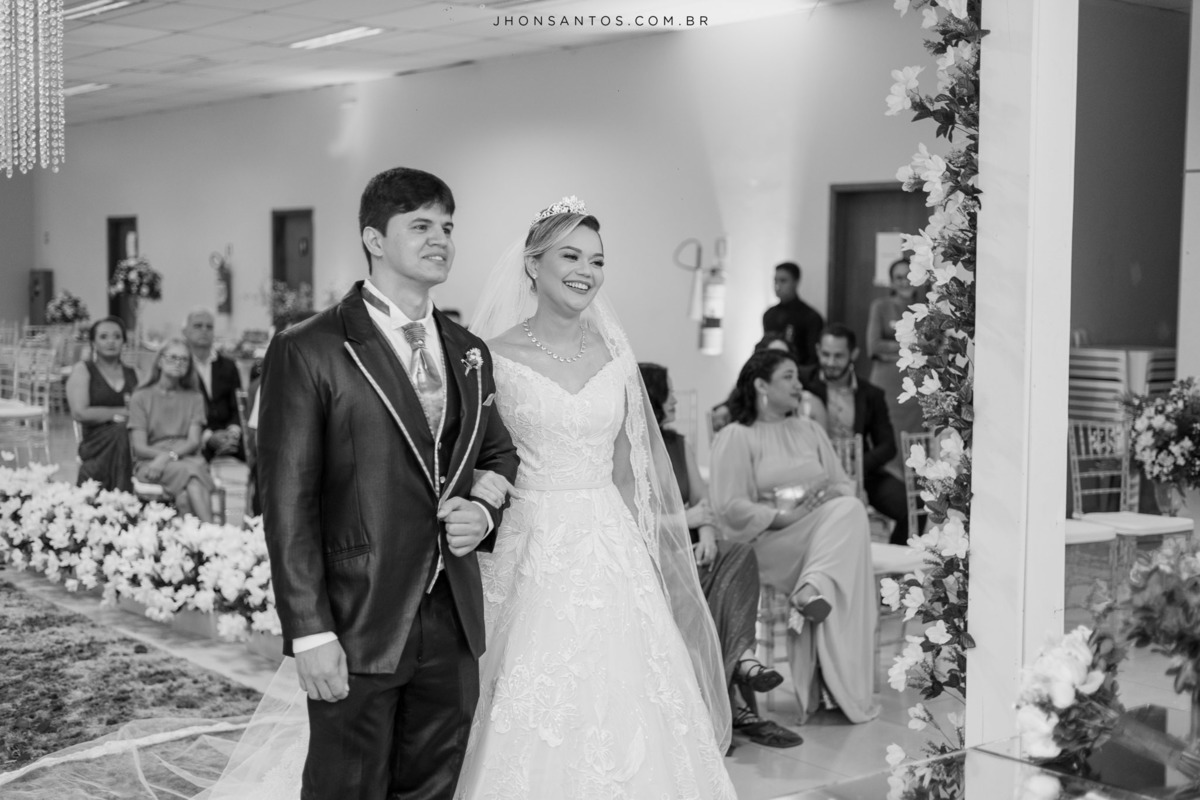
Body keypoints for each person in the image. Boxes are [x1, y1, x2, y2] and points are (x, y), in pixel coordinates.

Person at [255, 167, 520, 800]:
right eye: (421, 225)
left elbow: (500, 452)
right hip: (358, 615)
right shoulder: (311, 347)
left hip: (452, 618)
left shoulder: (469, 350)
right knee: (345, 787)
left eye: (447, 226)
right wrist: (310, 630)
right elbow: (287, 503)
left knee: (433, 786)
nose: (441, 239)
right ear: (374, 239)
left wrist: (483, 510)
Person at [457, 197, 735, 797]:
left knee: (630, 689)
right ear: (533, 265)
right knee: (529, 686)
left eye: (597, 260)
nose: (586, 270)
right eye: (571, 256)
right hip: (531, 541)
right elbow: (478, 459)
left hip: (608, 543)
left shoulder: (616, 357)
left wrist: (644, 555)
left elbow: (628, 471)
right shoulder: (492, 356)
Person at [709, 348, 879, 725]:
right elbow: (729, 507)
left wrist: (826, 497)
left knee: (849, 508)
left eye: (797, 377)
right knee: (847, 524)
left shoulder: (809, 430)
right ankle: (810, 589)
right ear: (761, 385)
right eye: (788, 377)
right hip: (769, 543)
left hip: (819, 534)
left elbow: (843, 483)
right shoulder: (737, 436)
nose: (799, 385)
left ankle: (811, 589)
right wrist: (785, 516)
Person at [639, 361, 802, 750]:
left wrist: (708, 535)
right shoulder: (626, 448)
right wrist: (685, 522)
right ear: (650, 397)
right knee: (704, 595)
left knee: (738, 554)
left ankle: (741, 663)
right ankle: (735, 695)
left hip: (690, 550)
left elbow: (704, 505)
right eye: (669, 391)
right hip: (650, 558)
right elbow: (629, 517)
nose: (675, 399)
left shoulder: (678, 445)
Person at [801, 324, 911, 545]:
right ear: (817, 350)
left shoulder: (871, 394)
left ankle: (890, 563)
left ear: (854, 354)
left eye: (838, 356)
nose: (830, 362)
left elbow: (888, 446)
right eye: (825, 354)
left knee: (911, 505)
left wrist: (858, 464)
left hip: (860, 470)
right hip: (814, 471)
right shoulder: (802, 381)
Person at [128, 338, 216, 522]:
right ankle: (212, 532)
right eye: (173, 357)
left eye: (184, 359)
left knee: (185, 493)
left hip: (186, 456)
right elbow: (139, 447)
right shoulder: (141, 397)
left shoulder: (195, 398)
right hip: (151, 461)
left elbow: (193, 441)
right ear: (160, 360)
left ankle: (199, 536)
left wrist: (167, 457)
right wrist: (162, 458)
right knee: (191, 475)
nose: (178, 363)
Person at [66, 317, 139, 492]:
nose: (111, 341)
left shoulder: (135, 373)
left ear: (124, 342)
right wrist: (121, 412)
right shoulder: (83, 370)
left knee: (125, 434)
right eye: (104, 337)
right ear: (93, 342)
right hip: (96, 440)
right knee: (120, 432)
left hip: (131, 440)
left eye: (117, 336)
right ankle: (120, 494)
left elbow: (144, 410)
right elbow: (80, 412)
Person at [867, 257, 925, 474]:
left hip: (916, 391)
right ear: (891, 282)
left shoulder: (927, 310)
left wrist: (892, 348)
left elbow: (932, 348)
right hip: (887, 387)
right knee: (886, 437)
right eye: (898, 277)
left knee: (916, 444)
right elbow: (874, 346)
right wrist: (912, 346)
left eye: (908, 276)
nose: (904, 281)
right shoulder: (880, 307)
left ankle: (913, 489)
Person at [182, 308, 243, 460]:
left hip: (229, 436)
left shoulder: (228, 366)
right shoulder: (181, 367)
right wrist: (208, 437)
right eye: (198, 326)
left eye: (209, 327)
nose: (204, 330)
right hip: (194, 438)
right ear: (185, 332)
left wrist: (233, 432)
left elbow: (237, 406)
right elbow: (179, 413)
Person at [755, 335, 828, 429]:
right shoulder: (747, 403)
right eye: (774, 358)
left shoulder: (811, 404)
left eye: (786, 356)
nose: (781, 363)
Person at [762, 261, 823, 367]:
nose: (777, 286)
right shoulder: (769, 315)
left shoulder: (810, 317)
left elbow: (813, 358)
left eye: (783, 281)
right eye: (775, 281)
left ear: (796, 282)